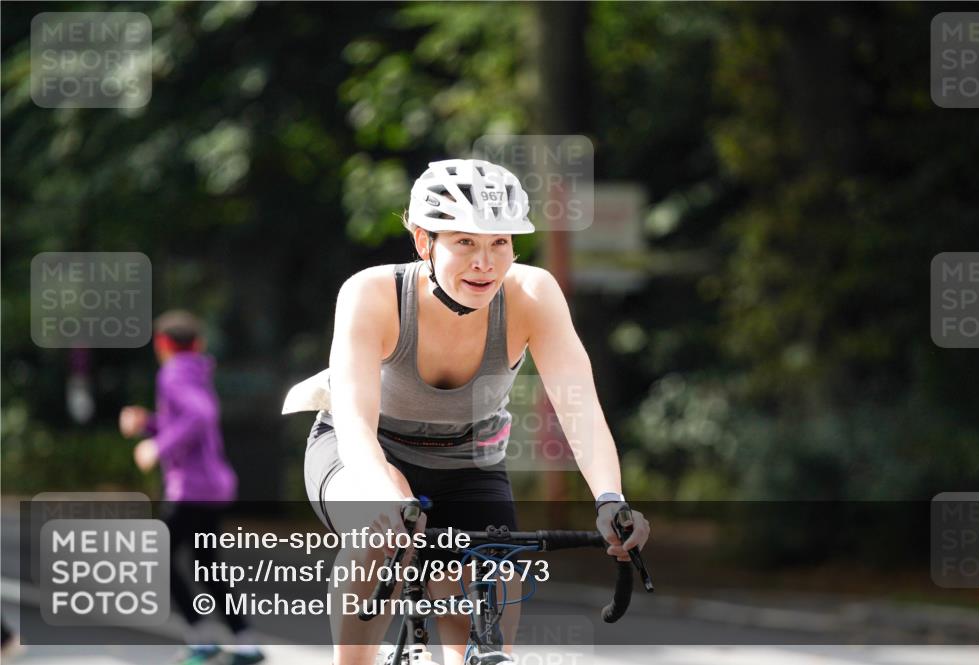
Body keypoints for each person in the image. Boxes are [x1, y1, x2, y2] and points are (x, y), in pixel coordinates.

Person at [285, 159, 650, 665]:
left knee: (496, 580)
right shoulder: (371, 293)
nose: (485, 263)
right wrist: (384, 495)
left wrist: (611, 499)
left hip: (467, 459)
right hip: (362, 452)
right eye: (465, 243)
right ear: (423, 242)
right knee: (381, 530)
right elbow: (354, 424)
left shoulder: (532, 293)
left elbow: (579, 407)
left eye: (500, 243)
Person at [120, 310, 265, 665]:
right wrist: (151, 425)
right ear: (197, 344)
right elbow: (189, 421)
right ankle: (244, 641)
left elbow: (200, 416)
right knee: (206, 566)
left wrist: (157, 447)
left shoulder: (172, 373)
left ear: (163, 344)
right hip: (213, 485)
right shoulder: (196, 371)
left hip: (191, 489)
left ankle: (201, 639)